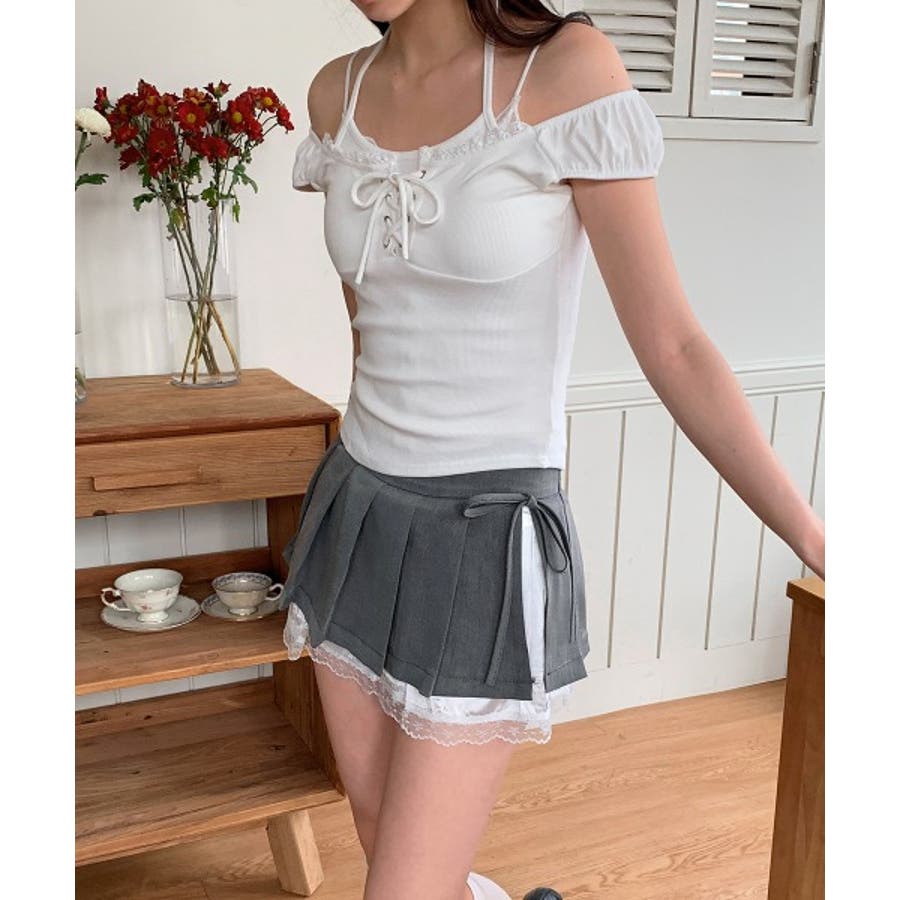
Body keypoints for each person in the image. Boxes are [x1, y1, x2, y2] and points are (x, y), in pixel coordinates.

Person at [281, 2, 826, 899]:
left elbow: (674, 345)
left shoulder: (566, 71)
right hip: (359, 512)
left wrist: (814, 536)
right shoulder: (335, 94)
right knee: (385, 844)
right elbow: (369, 326)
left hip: (485, 529)